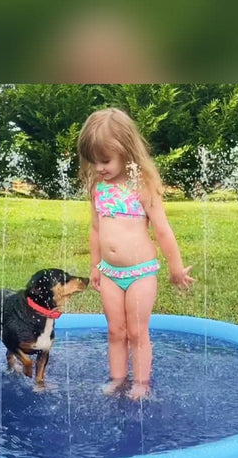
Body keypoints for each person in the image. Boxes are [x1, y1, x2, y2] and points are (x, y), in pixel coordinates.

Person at [77, 108, 194, 400]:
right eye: (94, 161)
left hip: (140, 273)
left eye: (105, 160)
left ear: (126, 150)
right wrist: (95, 266)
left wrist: (176, 268)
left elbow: (163, 231)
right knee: (116, 331)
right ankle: (118, 378)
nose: (100, 167)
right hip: (110, 273)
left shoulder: (141, 186)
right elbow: (95, 229)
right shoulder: (98, 188)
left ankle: (141, 382)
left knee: (137, 332)